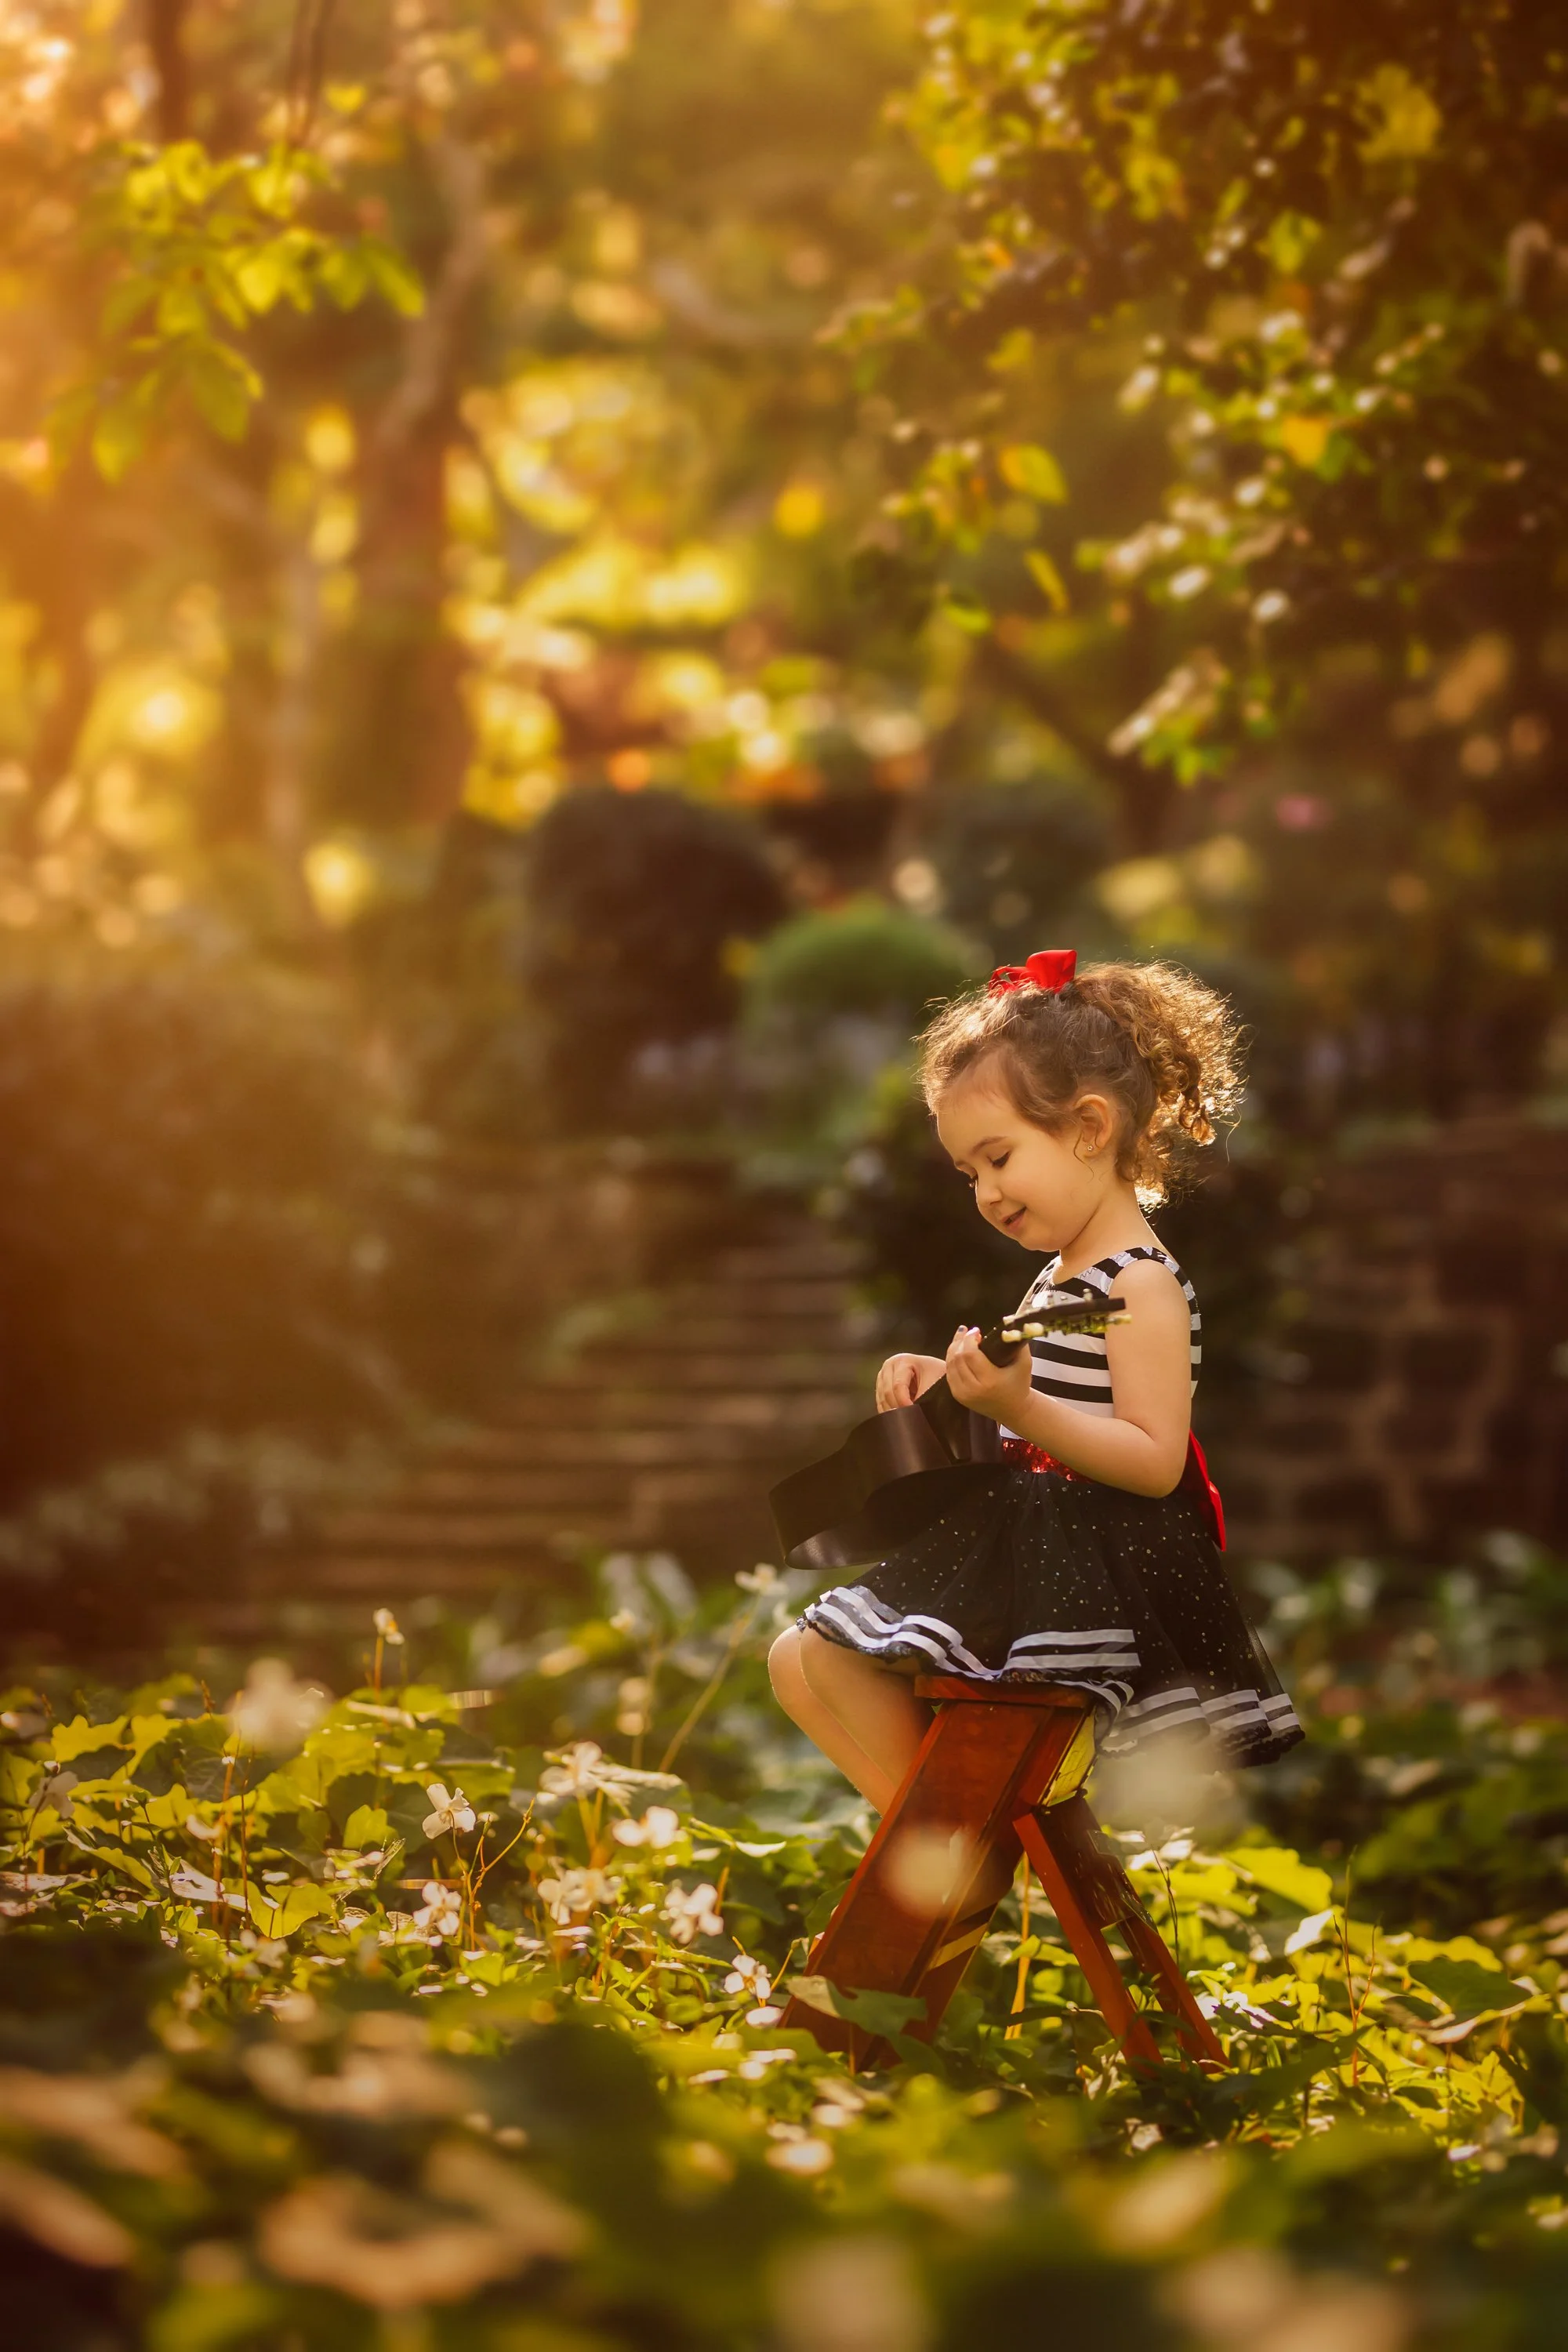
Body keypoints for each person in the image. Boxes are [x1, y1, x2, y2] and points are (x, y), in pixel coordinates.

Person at [769, 949, 1301, 1813]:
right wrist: (951, 1382)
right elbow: (1046, 1392)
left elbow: (1153, 1459)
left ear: (1089, 1127)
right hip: (1028, 1535)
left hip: (1089, 1557)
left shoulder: (1137, 1282)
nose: (984, 1192)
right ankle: (947, 1841)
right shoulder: (1063, 1274)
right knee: (798, 1664)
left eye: (999, 1157)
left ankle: (954, 1844)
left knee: (824, 1657)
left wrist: (1015, 1402)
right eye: (968, 1174)